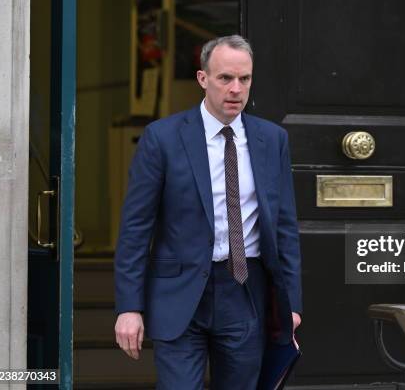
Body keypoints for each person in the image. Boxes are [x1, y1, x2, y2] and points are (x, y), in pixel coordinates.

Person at [114, 35, 302, 389]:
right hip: (179, 294)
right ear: (203, 79)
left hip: (245, 291)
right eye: (225, 78)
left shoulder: (272, 140)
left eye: (244, 79)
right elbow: (136, 228)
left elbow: (285, 227)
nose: (236, 89)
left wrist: (291, 304)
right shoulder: (162, 138)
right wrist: (129, 306)